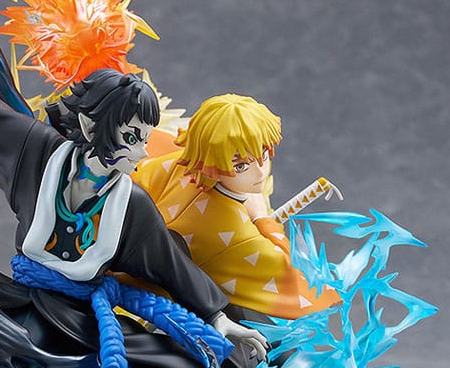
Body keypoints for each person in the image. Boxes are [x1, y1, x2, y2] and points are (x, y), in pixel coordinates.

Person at [0, 33, 269, 367]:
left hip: (80, 321)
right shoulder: (37, 151)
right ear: (89, 125)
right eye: (131, 138)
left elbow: (173, 266)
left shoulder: (131, 205)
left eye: (144, 140)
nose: (140, 152)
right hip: (22, 297)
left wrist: (218, 317)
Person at [134, 93, 340, 320]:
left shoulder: (175, 163)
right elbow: (300, 281)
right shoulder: (237, 235)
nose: (260, 173)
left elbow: (134, 181)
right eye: (241, 166)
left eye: (264, 154)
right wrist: (262, 219)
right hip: (148, 306)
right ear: (212, 163)